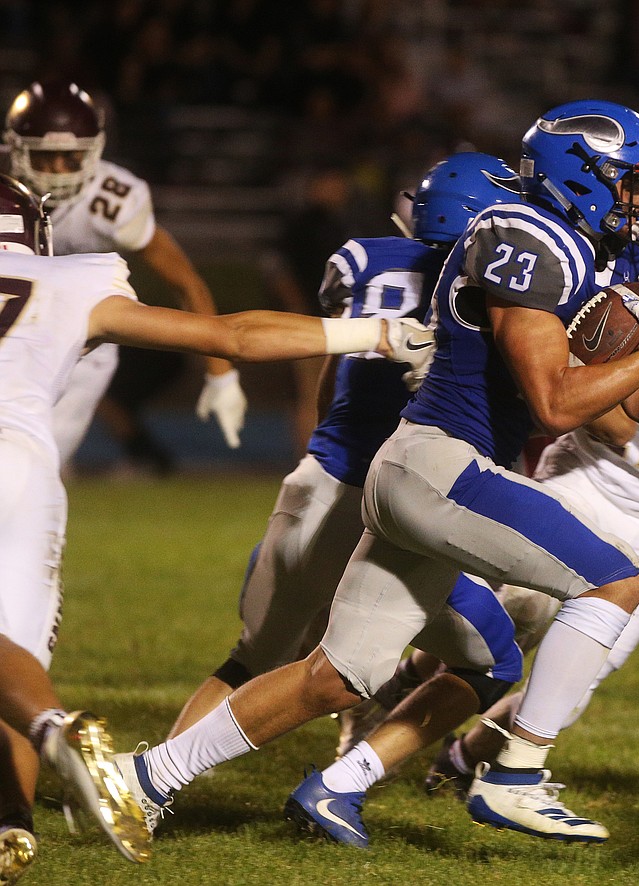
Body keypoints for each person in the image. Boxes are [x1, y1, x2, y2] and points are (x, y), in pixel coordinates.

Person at [113, 99, 639, 847]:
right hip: (442, 463)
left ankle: (145, 777)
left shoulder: (570, 247)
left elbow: (635, 401)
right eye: (632, 181)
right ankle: (515, 775)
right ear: (583, 174)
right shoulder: (528, 235)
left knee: (337, 677)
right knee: (615, 581)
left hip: (424, 472)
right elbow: (557, 402)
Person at [301, 178, 639, 831]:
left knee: (563, 688)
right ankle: (382, 746)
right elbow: (614, 415)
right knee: (501, 626)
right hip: (581, 480)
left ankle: (457, 760)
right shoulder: (624, 271)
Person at [0, 172, 412, 883]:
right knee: (17, 656)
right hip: (25, 468)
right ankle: (15, 824)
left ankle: (50, 748)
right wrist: (375, 332)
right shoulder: (71, 281)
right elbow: (234, 335)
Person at [165, 152, 527, 750]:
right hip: (389, 509)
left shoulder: (364, 259)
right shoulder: (481, 290)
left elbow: (335, 379)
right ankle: (351, 780)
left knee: (249, 662)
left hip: (313, 482)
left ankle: (141, 785)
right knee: (495, 663)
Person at [4, 79, 247, 467]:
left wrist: (220, 374)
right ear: (15, 150)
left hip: (84, 346)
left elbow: (184, 279)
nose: (59, 171)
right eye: (45, 156)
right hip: (12, 333)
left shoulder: (115, 200)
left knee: (39, 462)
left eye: (71, 158)